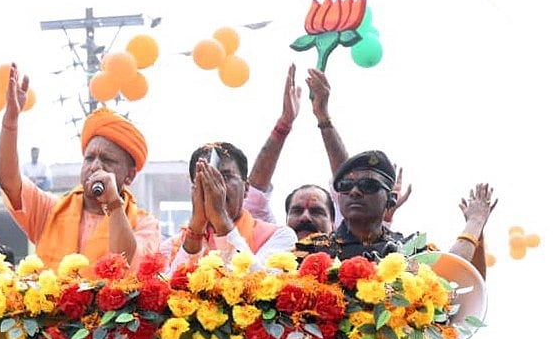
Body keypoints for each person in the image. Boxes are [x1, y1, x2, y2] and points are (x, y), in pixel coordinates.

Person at [0, 63, 160, 275]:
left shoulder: (144, 224)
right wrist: (10, 122)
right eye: (89, 157)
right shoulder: (49, 210)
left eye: (107, 160)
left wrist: (113, 204)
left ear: (129, 176)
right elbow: (8, 180)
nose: (96, 166)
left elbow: (128, 267)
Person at [245, 66, 411, 237]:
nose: (305, 218)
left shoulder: (348, 248)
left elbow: (349, 181)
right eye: (296, 211)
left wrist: (324, 118)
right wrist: (283, 125)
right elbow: (254, 197)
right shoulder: (272, 247)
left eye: (317, 211)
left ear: (335, 223)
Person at [295, 150, 496, 278]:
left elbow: (456, 278)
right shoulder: (310, 248)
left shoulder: (413, 248)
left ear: (391, 200)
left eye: (368, 185)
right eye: (345, 186)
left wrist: (476, 224)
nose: (354, 192)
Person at [161, 142, 297, 273]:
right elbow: (169, 292)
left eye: (225, 177)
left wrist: (221, 219)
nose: (215, 186)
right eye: (205, 178)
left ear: (246, 188)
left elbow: (258, 288)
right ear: (194, 190)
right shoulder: (170, 246)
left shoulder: (279, 236)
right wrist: (195, 231)